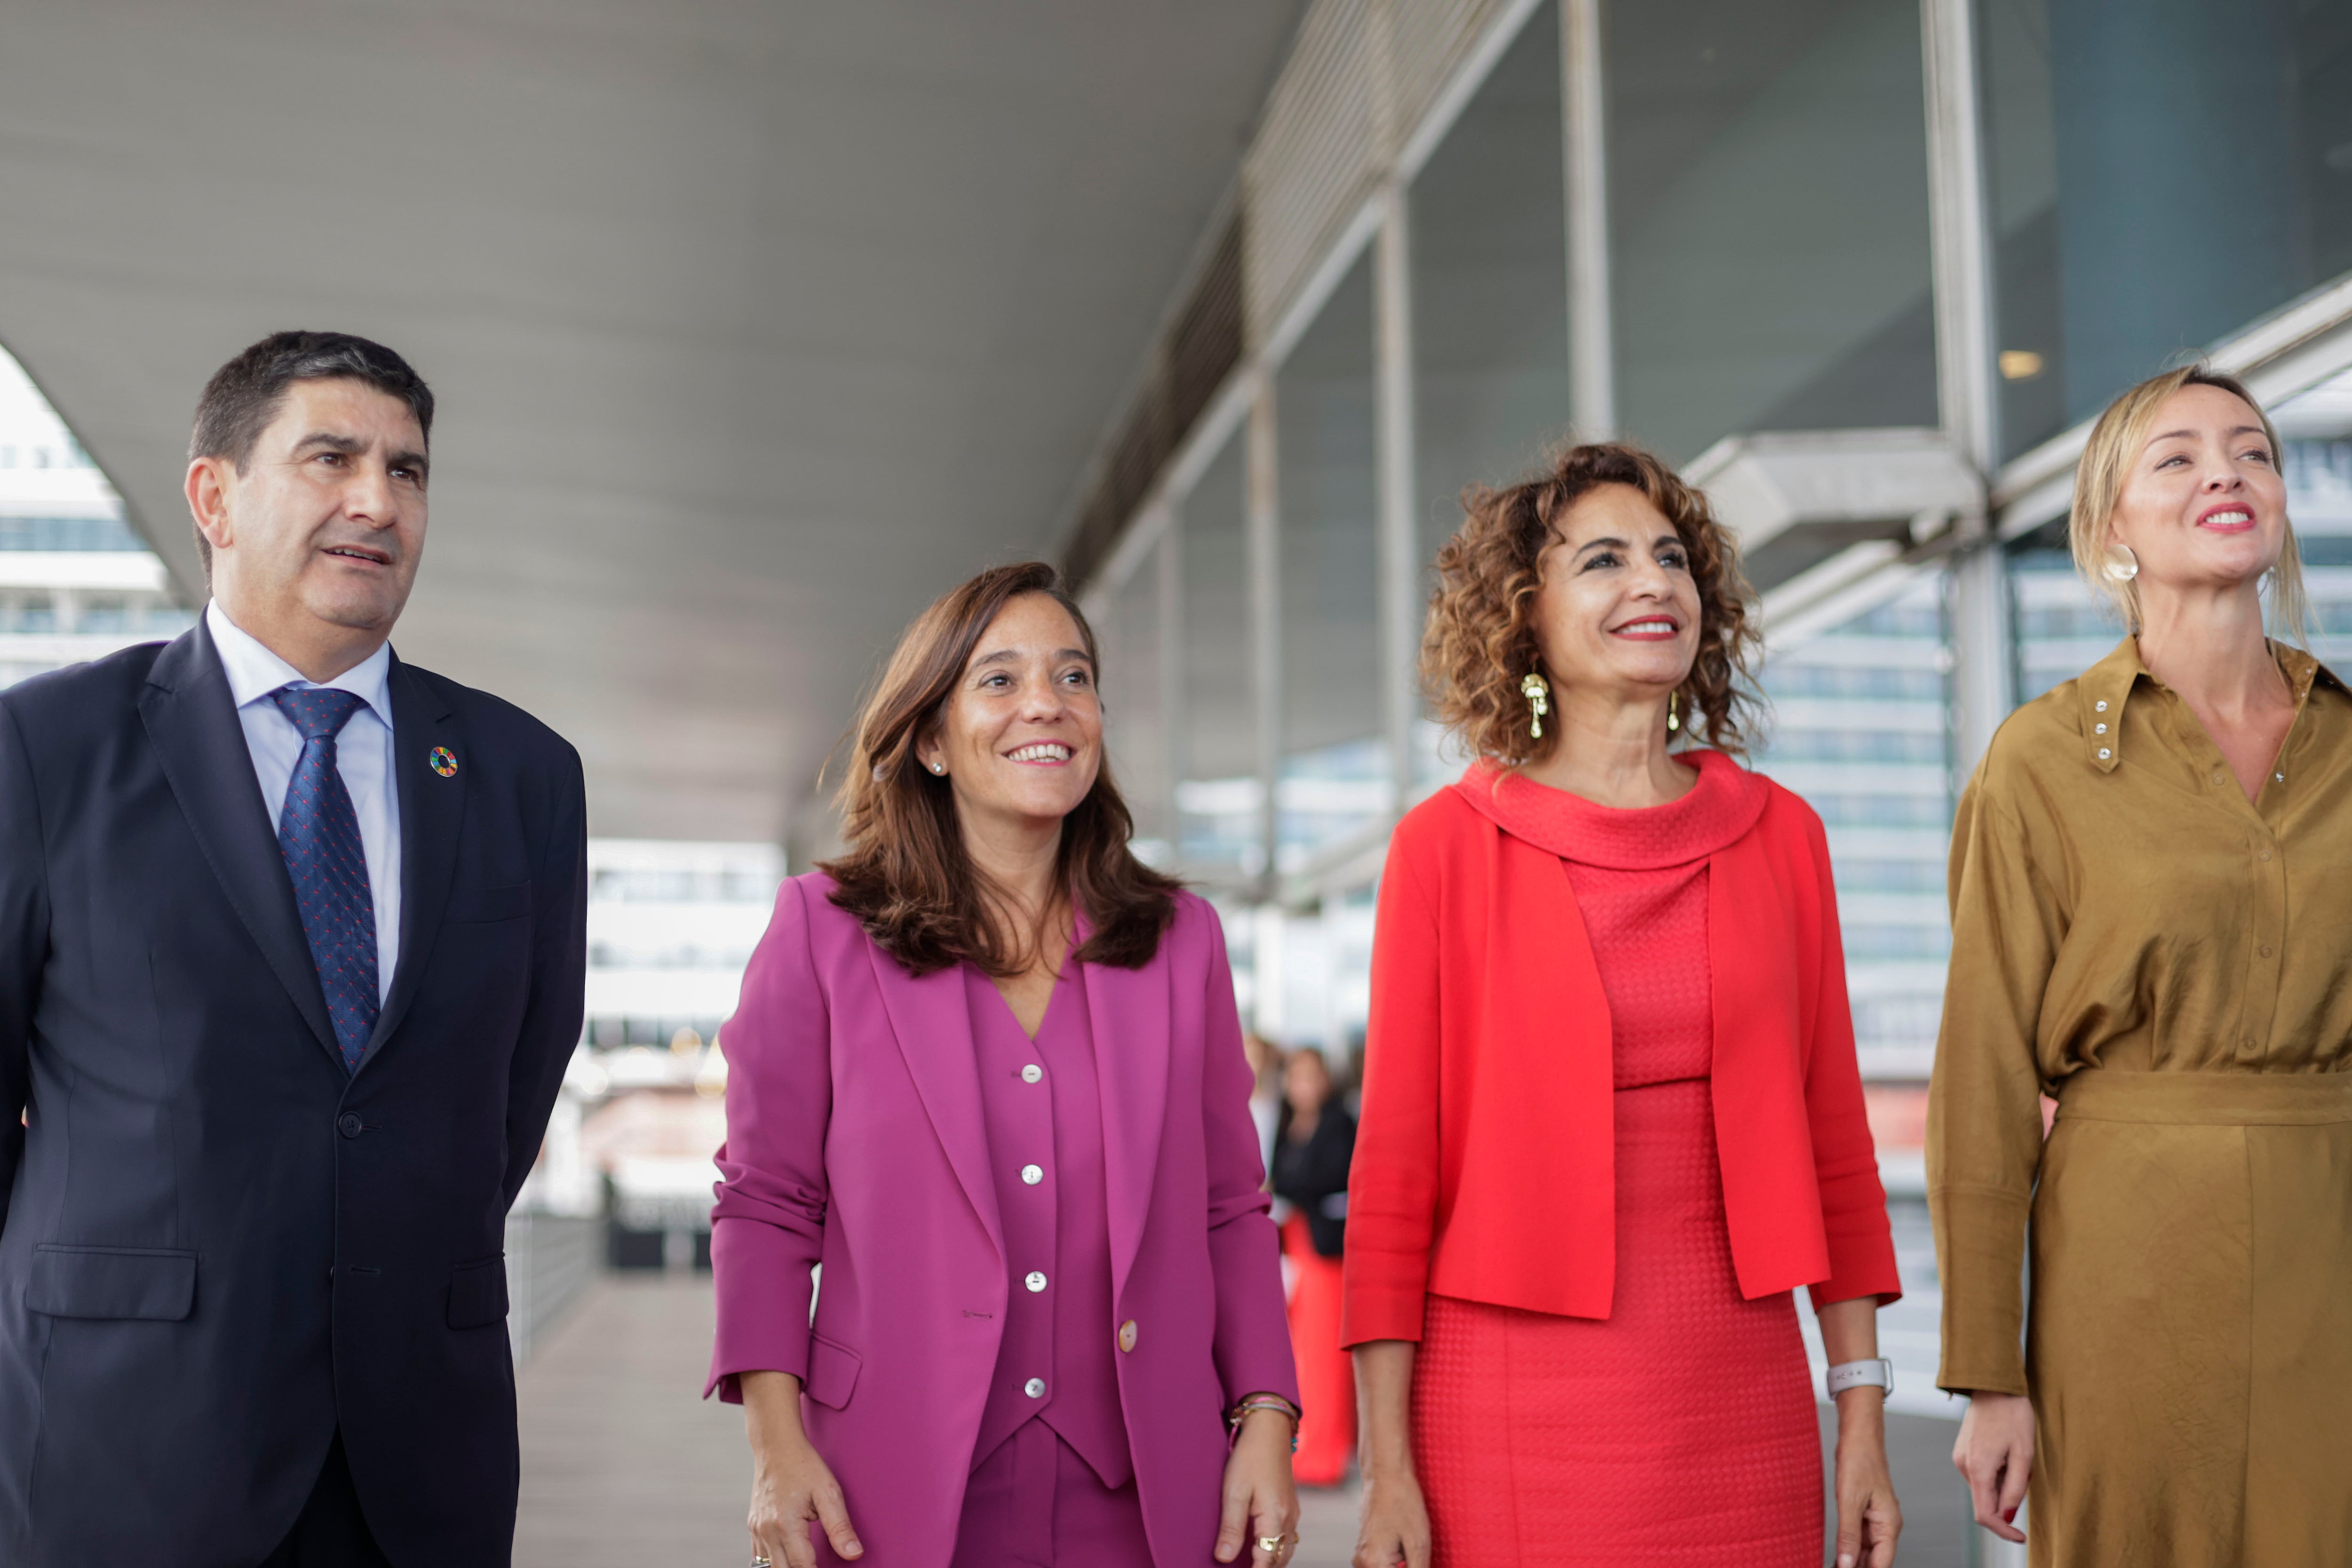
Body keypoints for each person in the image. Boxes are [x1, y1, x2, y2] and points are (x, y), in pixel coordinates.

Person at [0, 331, 588, 1566]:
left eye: (409, 471)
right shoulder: (47, 751)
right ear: (214, 496)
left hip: (421, 1457)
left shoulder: (522, 772)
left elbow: (514, 1094)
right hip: (126, 1445)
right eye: (332, 458)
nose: (378, 500)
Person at [1346, 442, 1903, 1568]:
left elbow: (1837, 1149)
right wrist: (1388, 1466)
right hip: (1507, 1403)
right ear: (1525, 621)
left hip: (1738, 1390)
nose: (1653, 584)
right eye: (1602, 561)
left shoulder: (1781, 834)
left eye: (1671, 559)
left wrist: (1861, 1421)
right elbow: (1394, 1176)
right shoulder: (1443, 849)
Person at [707, 562, 1300, 1568]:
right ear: (931, 739)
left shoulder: (1180, 938)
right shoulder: (823, 929)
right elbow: (765, 1202)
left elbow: (1228, 1207)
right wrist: (775, 1442)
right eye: (999, 679)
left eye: (1074, 677)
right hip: (889, 1484)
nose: (1047, 703)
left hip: (1150, 1490)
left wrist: (1269, 1418)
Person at [1932, 364, 2352, 1566]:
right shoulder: (2044, 758)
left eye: (2252, 451)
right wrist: (1986, 1375)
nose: (2224, 470)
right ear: (2110, 528)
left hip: (2333, 1248)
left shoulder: (2350, 744)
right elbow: (1982, 1084)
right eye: (2175, 456)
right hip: (2123, 1265)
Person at [1271, 1047, 1356, 1488]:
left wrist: (1295, 1194)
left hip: (1326, 1252)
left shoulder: (1340, 1122)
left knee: (1326, 1356)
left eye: (1311, 1075)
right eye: (1296, 1076)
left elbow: (1330, 1179)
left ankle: (1326, 1455)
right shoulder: (1288, 1124)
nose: (1303, 1085)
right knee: (1301, 1355)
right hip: (1296, 1247)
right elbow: (1279, 1181)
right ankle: (1302, 1449)